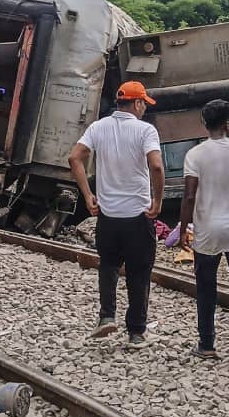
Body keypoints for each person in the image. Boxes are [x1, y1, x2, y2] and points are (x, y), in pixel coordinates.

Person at [68, 81, 164, 348]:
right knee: (138, 273)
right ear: (137, 103)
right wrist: (157, 201)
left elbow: (74, 157)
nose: (144, 108)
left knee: (108, 266)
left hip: (108, 216)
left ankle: (107, 316)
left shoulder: (98, 127)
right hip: (138, 216)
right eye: (144, 103)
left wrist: (88, 195)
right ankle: (136, 332)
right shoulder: (146, 130)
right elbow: (156, 166)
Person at [177, 99, 229, 360]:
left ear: (205, 124)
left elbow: (189, 196)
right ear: (228, 124)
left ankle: (207, 344)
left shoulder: (195, 155)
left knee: (206, 289)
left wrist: (183, 229)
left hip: (208, 231)